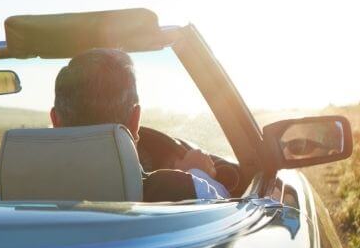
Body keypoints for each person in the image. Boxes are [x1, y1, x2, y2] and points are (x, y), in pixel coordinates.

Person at [49, 48, 230, 201]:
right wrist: (198, 174)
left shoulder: (23, 190)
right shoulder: (182, 190)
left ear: (55, 120)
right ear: (135, 120)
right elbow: (226, 205)